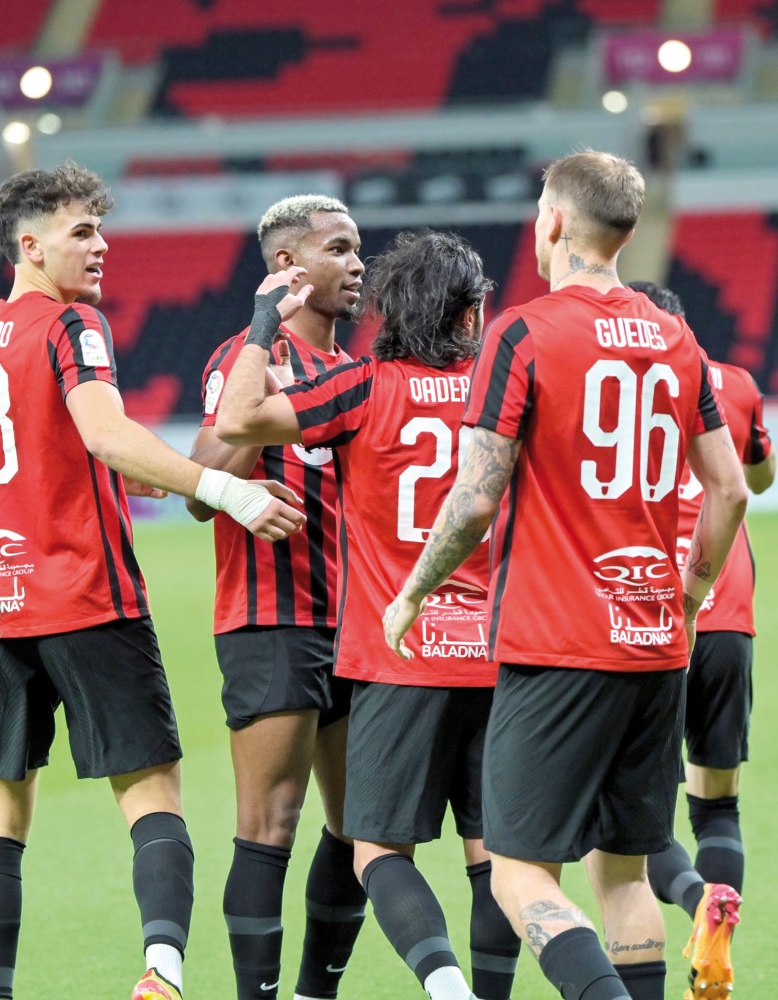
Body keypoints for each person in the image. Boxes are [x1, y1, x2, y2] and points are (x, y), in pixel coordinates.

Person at [382, 151, 749, 1000]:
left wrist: (412, 593)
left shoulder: (523, 330)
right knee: (624, 876)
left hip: (558, 646)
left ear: (551, 220)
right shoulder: (675, 336)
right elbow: (728, 489)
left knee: (519, 876)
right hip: (655, 645)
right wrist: (688, 599)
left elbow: (474, 501)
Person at [0, 162, 306, 1000]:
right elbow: (105, 435)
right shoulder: (71, 326)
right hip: (85, 594)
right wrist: (225, 489)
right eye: (82, 232)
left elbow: (60, 458)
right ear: (30, 246)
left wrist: (173, 474)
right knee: (153, 791)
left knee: (1, 808)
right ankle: (162, 975)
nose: (102, 247)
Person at [215, 229, 522, 1000]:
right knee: (495, 859)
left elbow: (237, 420)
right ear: (470, 313)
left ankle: (442, 983)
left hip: (395, 655)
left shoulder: (362, 386)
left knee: (375, 849)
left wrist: (262, 322)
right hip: (497, 653)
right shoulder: (504, 385)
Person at [185, 194, 367, 1000]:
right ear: (289, 268)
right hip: (271, 617)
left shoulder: (357, 373)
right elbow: (200, 485)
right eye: (339, 249)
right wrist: (264, 332)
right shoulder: (244, 360)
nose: (357, 263)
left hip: (358, 622)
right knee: (270, 825)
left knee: (362, 829)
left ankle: (312, 995)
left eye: (358, 248)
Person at [628, 281, 774, 994]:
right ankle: (713, 942)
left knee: (627, 818)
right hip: (726, 616)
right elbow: (758, 477)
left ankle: (690, 902)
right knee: (718, 804)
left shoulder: (617, 388)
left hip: (643, 617)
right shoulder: (736, 383)